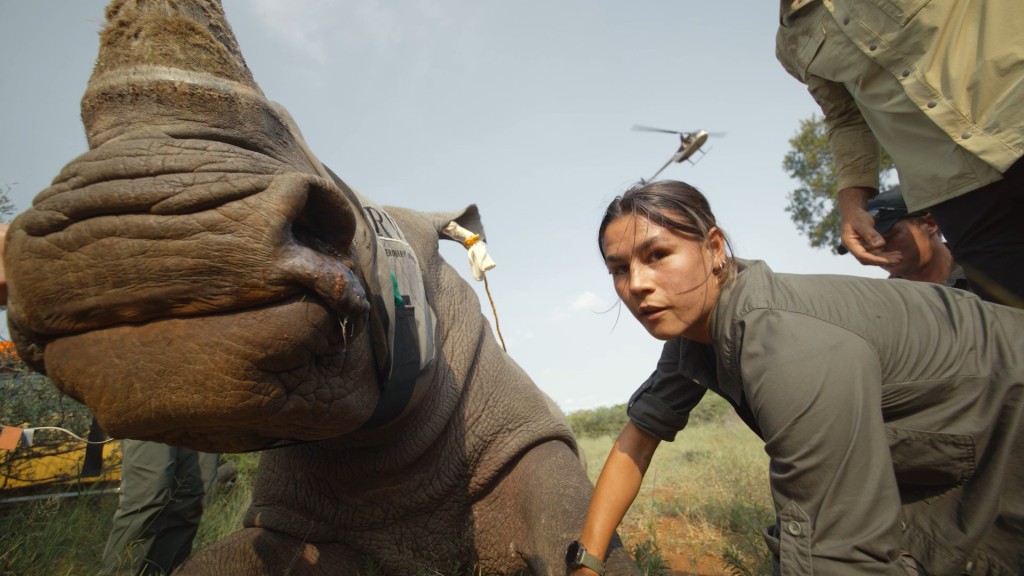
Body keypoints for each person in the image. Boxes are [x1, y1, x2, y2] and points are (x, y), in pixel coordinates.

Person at [567, 181, 1023, 575]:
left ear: (714, 248)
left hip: (1006, 415)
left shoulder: (784, 343)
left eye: (658, 254)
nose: (638, 283)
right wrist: (587, 560)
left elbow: (836, 553)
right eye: (619, 269)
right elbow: (637, 442)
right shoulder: (693, 336)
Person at [776, 0, 1024, 307]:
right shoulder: (792, 39)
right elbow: (846, 118)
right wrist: (853, 205)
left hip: (1014, 113)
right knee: (1013, 328)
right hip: (955, 190)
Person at [101, 440, 222, 575]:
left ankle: (164, 572)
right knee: (148, 493)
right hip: (148, 420)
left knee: (190, 499)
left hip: (203, 421)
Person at [837, 189, 969, 290]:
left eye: (890, 236)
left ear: (930, 224)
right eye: (866, 244)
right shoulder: (883, 304)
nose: (879, 248)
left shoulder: (984, 266)